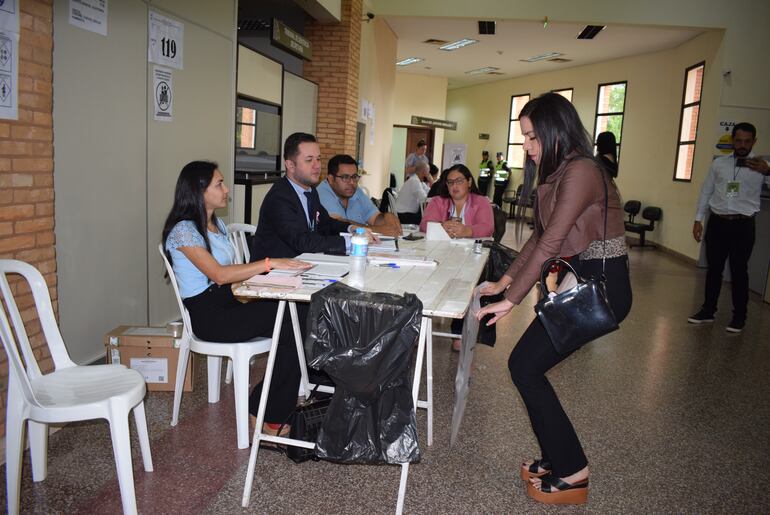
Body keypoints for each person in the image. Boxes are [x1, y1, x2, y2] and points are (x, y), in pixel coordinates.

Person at [476, 93, 632, 505]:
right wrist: (504, 281)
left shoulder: (582, 170)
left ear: (554, 130)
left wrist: (511, 300)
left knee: (525, 367)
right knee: (526, 366)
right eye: (524, 137)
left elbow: (552, 244)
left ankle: (573, 470)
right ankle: (555, 457)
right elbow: (538, 238)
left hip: (601, 288)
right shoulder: (560, 172)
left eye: (531, 137)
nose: (526, 146)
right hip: (580, 283)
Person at [161, 161, 311, 437]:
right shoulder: (183, 231)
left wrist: (275, 281)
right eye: (219, 184)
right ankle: (266, 409)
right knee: (293, 321)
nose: (226, 189)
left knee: (298, 313)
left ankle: (266, 401)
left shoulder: (215, 224)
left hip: (229, 303)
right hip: (210, 317)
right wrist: (269, 264)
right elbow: (219, 275)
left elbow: (232, 277)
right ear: (199, 190)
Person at [687, 122, 770, 333]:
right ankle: (708, 310)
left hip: (743, 225)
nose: (742, 145)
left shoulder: (762, 165)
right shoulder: (719, 164)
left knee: (739, 271)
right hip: (718, 223)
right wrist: (698, 219)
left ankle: (739, 317)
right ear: (732, 140)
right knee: (714, 269)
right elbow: (706, 191)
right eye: (739, 140)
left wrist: (769, 172)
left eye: (747, 141)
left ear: (754, 142)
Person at [251, 132, 373, 260]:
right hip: (273, 274)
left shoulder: (310, 191)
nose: (317, 166)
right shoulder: (280, 198)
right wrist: (351, 242)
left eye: (318, 159)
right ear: (290, 165)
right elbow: (302, 241)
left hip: (302, 264)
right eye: (309, 160)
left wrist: (352, 229)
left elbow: (326, 224)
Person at [420, 163, 494, 351]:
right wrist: (442, 226)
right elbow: (424, 225)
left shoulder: (481, 202)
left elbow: (488, 227)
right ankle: (417, 326)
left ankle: (458, 331)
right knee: (423, 280)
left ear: (469, 182)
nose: (454, 186)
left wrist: (467, 230)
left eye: (459, 181)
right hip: (440, 254)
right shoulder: (438, 201)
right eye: (450, 182)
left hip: (471, 257)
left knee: (466, 285)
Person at [318, 154, 402, 236]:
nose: (351, 182)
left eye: (354, 177)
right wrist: (379, 230)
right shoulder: (322, 193)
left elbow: (375, 218)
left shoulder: (356, 191)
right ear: (331, 179)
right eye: (345, 177)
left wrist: (388, 218)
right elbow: (338, 224)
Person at [395, 160, 433, 224]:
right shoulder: (414, 181)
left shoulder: (419, 182)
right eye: (428, 172)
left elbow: (430, 193)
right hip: (403, 215)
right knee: (428, 220)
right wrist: (431, 181)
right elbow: (424, 199)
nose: (429, 174)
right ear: (423, 172)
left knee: (428, 218)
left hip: (406, 214)